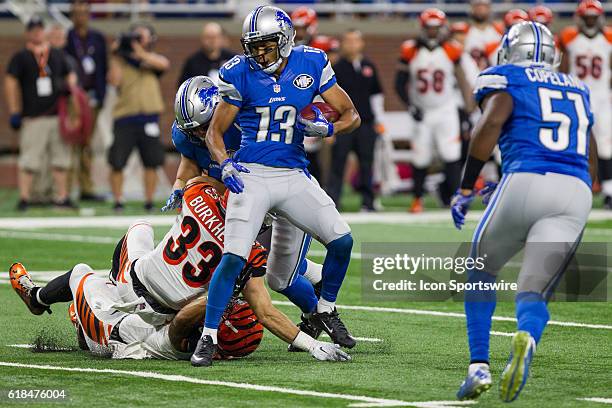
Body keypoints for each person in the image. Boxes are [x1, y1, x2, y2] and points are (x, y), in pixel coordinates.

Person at [191, 5, 361, 367]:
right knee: (234, 257)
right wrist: (225, 165)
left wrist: (328, 129)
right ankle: (207, 337)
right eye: (254, 46)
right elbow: (214, 133)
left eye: (267, 45)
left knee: (342, 240)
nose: (259, 53)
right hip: (251, 174)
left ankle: (325, 310)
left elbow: (351, 115)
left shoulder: (312, 62)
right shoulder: (238, 72)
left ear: (285, 40)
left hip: (294, 174)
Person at [451, 22, 596, 402]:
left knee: (481, 270)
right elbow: (589, 147)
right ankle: (528, 337)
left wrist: (467, 185)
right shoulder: (577, 86)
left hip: (526, 177)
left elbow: (492, 122)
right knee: (535, 288)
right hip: (576, 189)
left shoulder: (506, 76)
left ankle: (478, 366)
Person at [166, 77, 326, 347]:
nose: (199, 135)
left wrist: (208, 187)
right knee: (252, 267)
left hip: (274, 197)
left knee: (269, 274)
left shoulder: (246, 124)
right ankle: (314, 278)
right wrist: (180, 188)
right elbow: (188, 167)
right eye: (192, 130)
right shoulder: (188, 134)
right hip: (239, 202)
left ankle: (316, 312)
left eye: (204, 127)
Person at [394, 8, 473, 213]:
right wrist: (410, 106)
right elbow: (398, 83)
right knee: (420, 157)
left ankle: (455, 199)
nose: (432, 32)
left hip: (445, 109)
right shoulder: (410, 49)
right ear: (422, 28)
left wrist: (467, 110)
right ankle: (417, 199)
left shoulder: (451, 49)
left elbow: (462, 81)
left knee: (451, 155)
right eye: (429, 28)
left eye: (435, 28)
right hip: (422, 110)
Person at [5, 16, 77, 211]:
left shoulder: (57, 55)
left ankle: (61, 197)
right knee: (30, 160)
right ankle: (25, 198)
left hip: (57, 116)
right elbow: (10, 83)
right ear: (28, 33)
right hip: (33, 116)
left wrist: (71, 96)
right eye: (33, 29)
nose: (37, 32)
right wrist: (15, 111)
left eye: (40, 29)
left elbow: (71, 77)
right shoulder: (21, 57)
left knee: (60, 159)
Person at [107, 23, 169, 212]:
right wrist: (116, 55)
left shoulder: (150, 59)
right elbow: (114, 80)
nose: (138, 40)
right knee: (117, 161)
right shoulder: (120, 60)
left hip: (149, 118)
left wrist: (139, 52)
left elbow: (163, 64)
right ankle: (118, 200)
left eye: (141, 37)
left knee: (151, 161)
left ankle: (149, 200)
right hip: (125, 116)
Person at [558, 0, 611, 207]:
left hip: (601, 97)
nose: (590, 21)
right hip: (576, 96)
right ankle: (572, 188)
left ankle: (608, 191)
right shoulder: (568, 37)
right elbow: (562, 68)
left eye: (593, 17)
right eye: (587, 17)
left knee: (605, 145)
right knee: (572, 143)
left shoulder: (608, 38)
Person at [327, 29, 384, 211]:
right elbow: (328, 99)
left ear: (361, 43)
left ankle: (368, 201)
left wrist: (379, 120)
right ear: (343, 44)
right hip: (343, 124)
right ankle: (333, 201)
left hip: (366, 122)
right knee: (338, 163)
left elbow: (376, 95)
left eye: (355, 41)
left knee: (367, 162)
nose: (352, 45)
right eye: (348, 41)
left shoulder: (368, 66)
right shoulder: (336, 68)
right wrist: (331, 127)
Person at [64, 0, 108, 202]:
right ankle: (68, 188)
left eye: (84, 13)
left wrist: (101, 94)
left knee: (87, 144)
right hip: (75, 98)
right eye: (76, 13)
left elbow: (103, 67)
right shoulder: (68, 39)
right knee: (73, 142)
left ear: (88, 15)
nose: (80, 17)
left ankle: (86, 187)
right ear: (72, 16)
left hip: (94, 97)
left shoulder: (98, 38)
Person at [291, 6, 340, 182]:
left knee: (316, 153)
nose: (300, 32)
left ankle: (322, 188)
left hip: (319, 104)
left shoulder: (322, 48)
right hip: (296, 103)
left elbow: (332, 78)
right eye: (297, 27)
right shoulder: (289, 48)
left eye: (303, 27)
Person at [463, 0, 504, 70]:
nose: (480, 9)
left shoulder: (499, 30)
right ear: (472, 9)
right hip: (472, 75)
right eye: (477, 6)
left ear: (489, 8)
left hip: (496, 75)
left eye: (483, 6)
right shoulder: (463, 32)